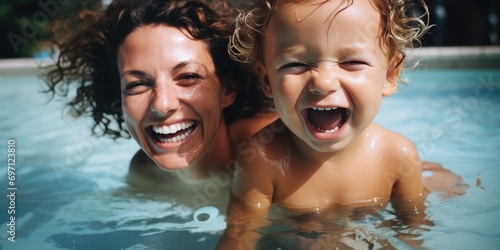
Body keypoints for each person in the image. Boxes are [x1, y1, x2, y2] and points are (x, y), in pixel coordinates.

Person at [218, 0, 454, 248]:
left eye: (351, 62)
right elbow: (240, 235)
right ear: (267, 80)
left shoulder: (397, 156)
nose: (323, 82)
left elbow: (414, 232)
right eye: (295, 64)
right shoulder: (262, 160)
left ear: (389, 75)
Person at [43, 0, 277, 193]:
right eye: (138, 84)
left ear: (227, 89)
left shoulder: (273, 149)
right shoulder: (143, 174)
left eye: (188, 77)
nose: (162, 105)